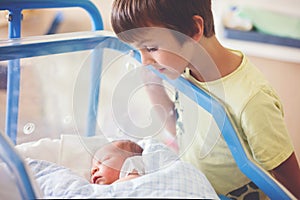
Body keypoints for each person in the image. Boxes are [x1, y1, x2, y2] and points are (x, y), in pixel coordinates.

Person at [110, 0, 300, 199]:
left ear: (193, 29)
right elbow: (180, 132)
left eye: (150, 48)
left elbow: (291, 187)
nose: (144, 61)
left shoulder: (251, 101)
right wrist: (151, 86)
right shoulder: (186, 70)